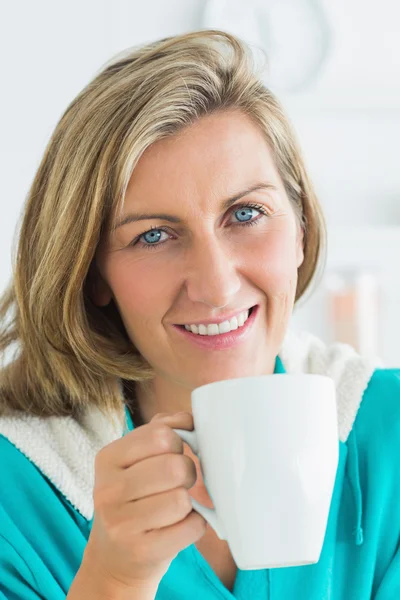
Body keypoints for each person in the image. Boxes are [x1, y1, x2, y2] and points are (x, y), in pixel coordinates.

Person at [0, 29, 399, 600]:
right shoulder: (15, 496)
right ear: (93, 277)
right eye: (154, 235)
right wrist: (114, 580)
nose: (216, 285)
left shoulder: (389, 435)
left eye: (246, 213)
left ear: (301, 233)